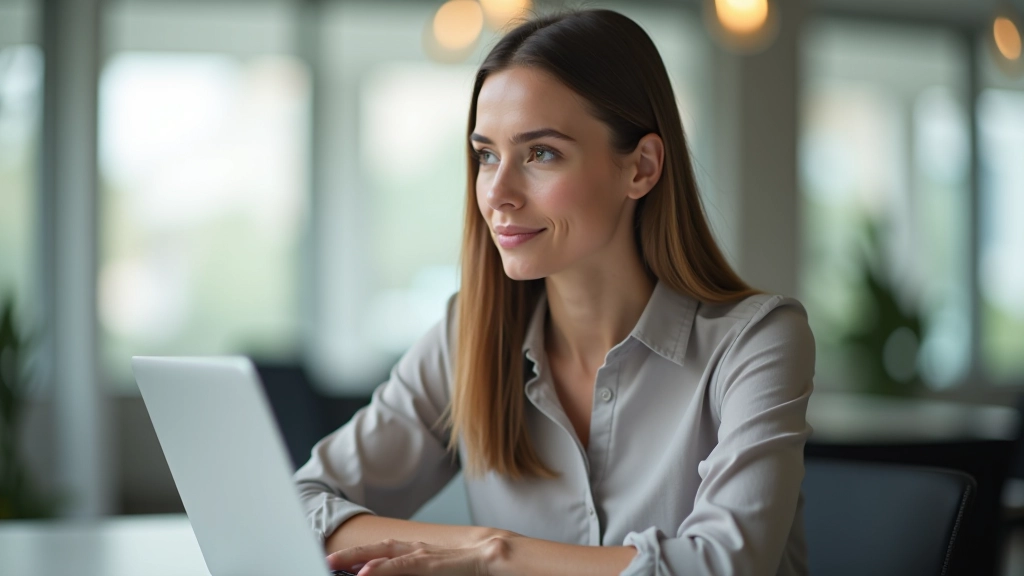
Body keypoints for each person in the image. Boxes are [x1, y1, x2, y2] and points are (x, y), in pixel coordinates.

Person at [294, 8, 815, 576]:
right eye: (486, 154)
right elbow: (298, 504)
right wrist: (476, 545)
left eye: (541, 153)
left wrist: (498, 557)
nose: (497, 193)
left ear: (641, 167)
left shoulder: (757, 341)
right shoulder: (467, 334)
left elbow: (723, 566)